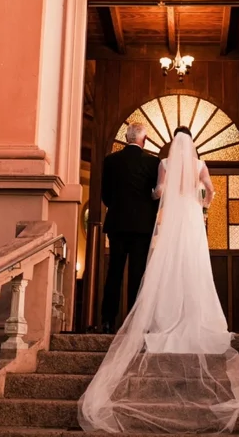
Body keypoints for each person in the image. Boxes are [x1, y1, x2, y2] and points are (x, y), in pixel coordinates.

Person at [79, 129, 239, 434]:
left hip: (146, 223)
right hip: (189, 222)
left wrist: (160, 195)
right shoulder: (196, 165)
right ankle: (188, 318)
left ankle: (114, 322)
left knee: (142, 272)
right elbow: (210, 192)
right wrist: (202, 204)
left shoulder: (162, 163)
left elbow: (155, 191)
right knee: (191, 269)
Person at [101, 123, 160, 334]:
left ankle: (107, 321)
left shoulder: (111, 161)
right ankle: (135, 322)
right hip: (142, 227)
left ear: (127, 138)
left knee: (114, 272)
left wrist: (118, 207)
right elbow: (156, 195)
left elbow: (105, 195)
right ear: (143, 140)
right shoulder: (152, 162)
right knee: (138, 273)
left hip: (117, 224)